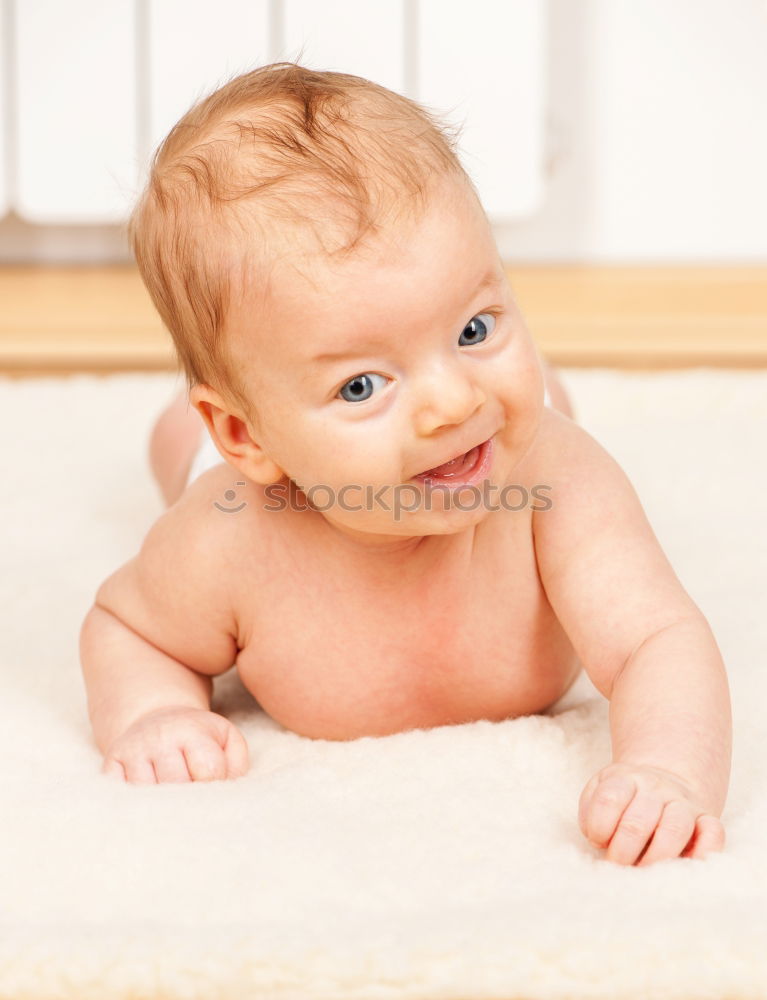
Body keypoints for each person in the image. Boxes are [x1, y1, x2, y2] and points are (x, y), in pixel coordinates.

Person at [80, 62, 731, 868]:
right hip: (269, 485)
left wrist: (666, 766)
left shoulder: (557, 487)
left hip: (509, 449)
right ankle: (190, 425)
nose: (451, 404)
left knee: (536, 411)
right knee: (178, 449)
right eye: (361, 384)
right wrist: (153, 713)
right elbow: (128, 628)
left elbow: (656, 639)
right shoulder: (226, 540)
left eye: (474, 327)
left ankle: (527, 382)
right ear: (246, 435)